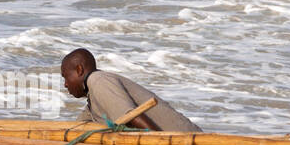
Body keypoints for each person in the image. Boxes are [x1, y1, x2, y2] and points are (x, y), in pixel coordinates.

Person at [60, 48, 201, 132]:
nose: (65, 84)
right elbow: (75, 128)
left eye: (66, 77)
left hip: (189, 142)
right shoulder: (93, 97)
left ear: (79, 70)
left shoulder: (98, 81)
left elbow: (133, 117)